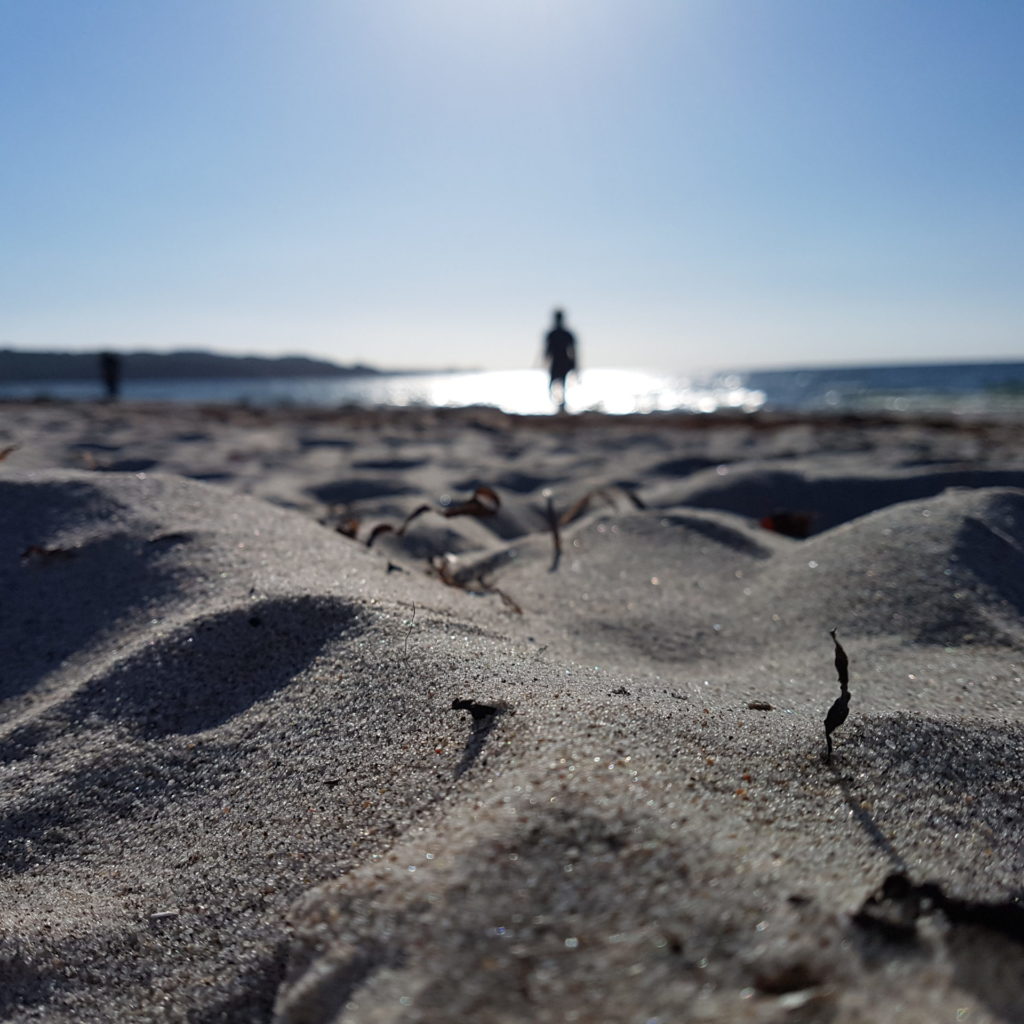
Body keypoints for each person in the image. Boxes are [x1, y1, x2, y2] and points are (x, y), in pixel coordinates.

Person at [543, 309, 577, 411]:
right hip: (556, 362)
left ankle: (562, 405)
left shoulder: (567, 334)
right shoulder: (552, 334)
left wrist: (575, 364)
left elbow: (573, 351)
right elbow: (547, 351)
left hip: (564, 362)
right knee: (553, 384)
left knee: (562, 384)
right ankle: (558, 403)